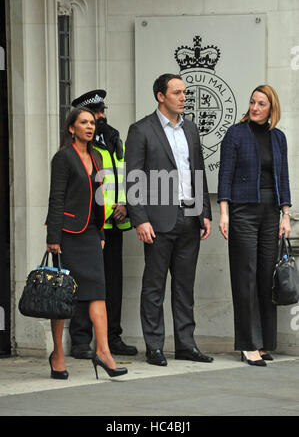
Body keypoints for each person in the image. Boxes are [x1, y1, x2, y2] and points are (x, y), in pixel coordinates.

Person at [125, 73, 213, 366]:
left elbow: (197, 171)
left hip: (189, 217)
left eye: (184, 92)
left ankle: (186, 345)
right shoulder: (141, 130)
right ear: (161, 96)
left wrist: (204, 212)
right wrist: (139, 219)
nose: (184, 97)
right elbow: (134, 177)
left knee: (184, 286)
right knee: (154, 286)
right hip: (158, 220)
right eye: (177, 92)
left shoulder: (190, 129)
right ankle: (154, 346)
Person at [46, 107, 127, 379]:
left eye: (92, 122)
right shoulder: (63, 158)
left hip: (92, 233)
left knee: (97, 293)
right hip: (67, 234)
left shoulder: (97, 157)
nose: (90, 127)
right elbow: (56, 199)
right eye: (83, 122)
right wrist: (53, 239)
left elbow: (99, 199)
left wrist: (101, 233)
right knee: (63, 296)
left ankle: (103, 352)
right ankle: (57, 353)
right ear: (72, 128)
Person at [218, 84, 291, 367]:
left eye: (261, 104)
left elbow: (283, 178)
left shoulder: (278, 137)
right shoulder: (235, 133)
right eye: (252, 102)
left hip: (271, 212)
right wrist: (224, 212)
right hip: (243, 212)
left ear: (272, 108)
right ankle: (248, 344)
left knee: (265, 276)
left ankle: (263, 343)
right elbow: (225, 174)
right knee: (245, 276)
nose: (255, 108)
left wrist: (286, 214)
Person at [70, 90, 137, 358]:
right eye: (96, 112)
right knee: (85, 283)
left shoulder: (112, 136)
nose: (101, 116)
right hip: (89, 225)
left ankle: (112, 337)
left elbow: (123, 172)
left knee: (112, 284)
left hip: (114, 223)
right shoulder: (79, 143)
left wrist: (124, 204)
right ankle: (80, 341)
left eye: (101, 111)